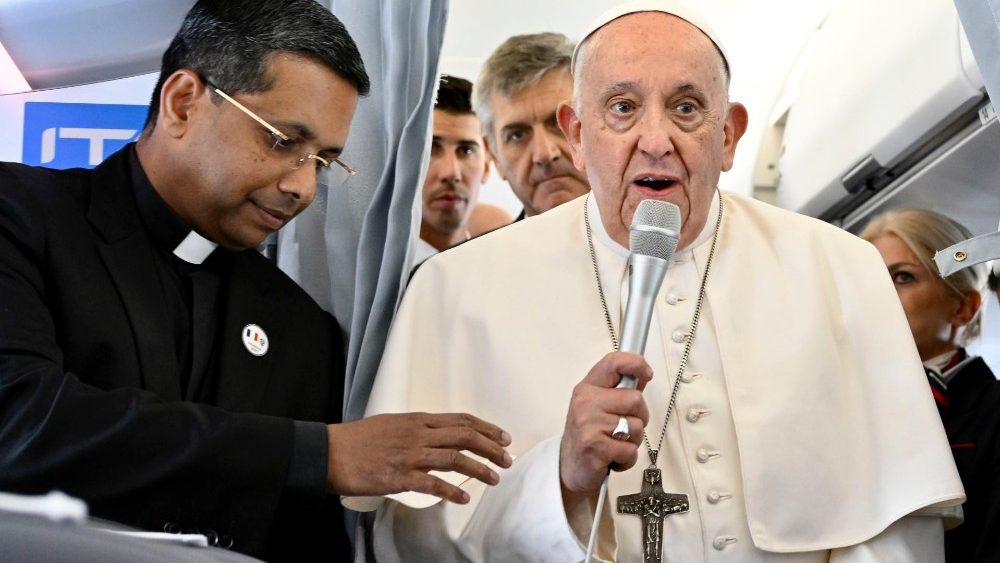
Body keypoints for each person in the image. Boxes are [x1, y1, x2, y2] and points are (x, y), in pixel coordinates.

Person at [365, 0, 964, 561]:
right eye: (622, 108)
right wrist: (560, 481)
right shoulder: (455, 290)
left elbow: (899, 524)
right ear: (578, 135)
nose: (655, 142)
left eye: (686, 108)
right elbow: (407, 539)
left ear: (727, 136)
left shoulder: (841, 267)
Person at [0, 1, 511, 561]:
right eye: (282, 141)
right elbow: (21, 423)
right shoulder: (23, 217)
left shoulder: (301, 329)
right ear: (182, 102)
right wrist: (319, 455)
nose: (302, 188)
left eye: (323, 161)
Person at [863, 208, 1000, 562]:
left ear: (962, 307)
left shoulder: (993, 412)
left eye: (903, 277)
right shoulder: (842, 403)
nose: (874, 292)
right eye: (867, 277)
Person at [474, 32, 589, 220]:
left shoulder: (643, 235)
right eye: (516, 135)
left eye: (560, 123)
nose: (544, 154)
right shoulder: (487, 243)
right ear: (494, 156)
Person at [416, 75, 491, 263]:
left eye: (466, 150)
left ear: (487, 165)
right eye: (431, 149)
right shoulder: (369, 273)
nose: (451, 173)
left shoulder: (504, 264)